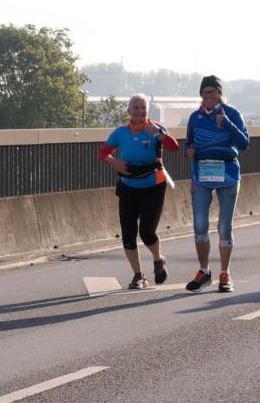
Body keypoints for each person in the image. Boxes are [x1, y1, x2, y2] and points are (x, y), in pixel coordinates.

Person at [98, 94, 180, 289]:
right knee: (128, 234)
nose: (140, 111)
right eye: (136, 108)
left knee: (147, 231)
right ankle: (138, 275)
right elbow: (102, 152)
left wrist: (159, 134)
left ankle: (158, 259)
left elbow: (174, 147)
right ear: (129, 110)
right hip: (128, 186)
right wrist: (115, 162)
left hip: (154, 185)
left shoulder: (156, 128)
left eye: (143, 108)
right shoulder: (120, 132)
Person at [184, 75, 250, 293]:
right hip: (202, 173)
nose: (208, 95)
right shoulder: (195, 117)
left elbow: (245, 144)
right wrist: (188, 151)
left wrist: (228, 124)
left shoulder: (232, 114)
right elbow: (189, 143)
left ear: (220, 93)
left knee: (224, 226)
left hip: (228, 173)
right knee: (200, 225)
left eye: (212, 91)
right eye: (205, 92)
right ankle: (204, 271)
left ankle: (225, 273)